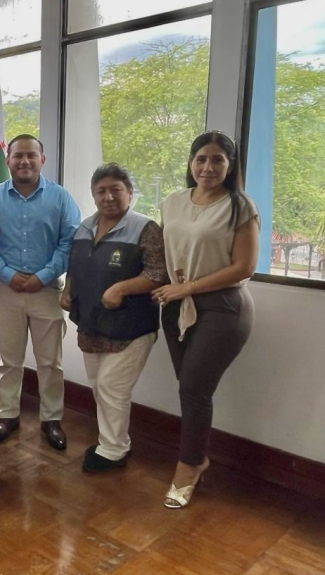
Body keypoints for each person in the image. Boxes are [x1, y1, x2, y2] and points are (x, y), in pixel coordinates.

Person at [152, 131, 259, 508]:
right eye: (201, 159)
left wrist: (187, 288)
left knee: (194, 389)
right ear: (190, 162)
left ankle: (190, 465)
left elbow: (244, 267)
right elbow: (166, 251)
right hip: (175, 306)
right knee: (191, 388)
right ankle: (198, 455)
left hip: (223, 308)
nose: (208, 167)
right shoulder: (172, 201)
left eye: (217, 160)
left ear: (230, 166)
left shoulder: (239, 205)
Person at [61, 163, 168, 473]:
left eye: (116, 190)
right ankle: (112, 441)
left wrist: (122, 287)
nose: (108, 197)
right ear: (94, 195)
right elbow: (76, 266)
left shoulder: (145, 228)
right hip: (92, 323)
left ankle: (114, 448)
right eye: (101, 191)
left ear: (130, 193)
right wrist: (67, 290)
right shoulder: (84, 228)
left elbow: (158, 274)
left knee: (111, 386)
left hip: (131, 328)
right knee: (99, 385)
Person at [0, 134, 81, 450]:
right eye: (18, 156)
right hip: (5, 288)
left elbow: (70, 242)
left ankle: (51, 418)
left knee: (50, 362)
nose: (25, 161)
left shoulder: (61, 198)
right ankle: (7, 415)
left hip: (47, 289)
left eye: (31, 156)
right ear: (8, 160)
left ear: (42, 160)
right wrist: (8, 275)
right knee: (9, 359)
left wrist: (43, 276)